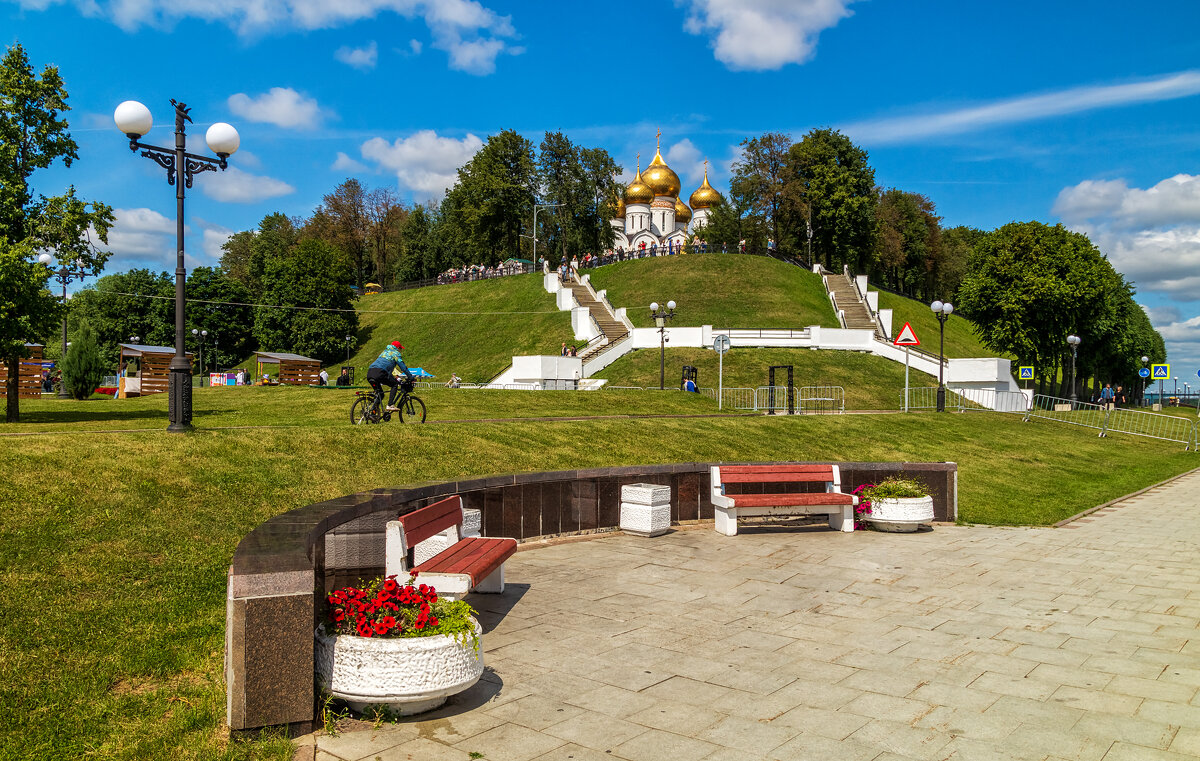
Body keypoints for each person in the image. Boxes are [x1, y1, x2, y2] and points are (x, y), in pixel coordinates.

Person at [367, 340, 414, 412]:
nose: (401, 350)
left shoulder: (385, 352)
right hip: (380, 372)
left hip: (370, 372)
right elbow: (403, 367)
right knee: (394, 384)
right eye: (400, 348)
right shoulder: (396, 353)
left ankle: (372, 413)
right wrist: (411, 377)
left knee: (380, 395)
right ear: (398, 348)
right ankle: (390, 405)